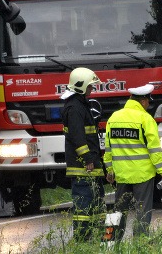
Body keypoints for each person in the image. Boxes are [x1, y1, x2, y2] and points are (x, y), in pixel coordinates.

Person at [104, 84, 162, 240]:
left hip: (121, 174)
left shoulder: (114, 118)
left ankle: (110, 242)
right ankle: (139, 245)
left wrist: (109, 170)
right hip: (142, 175)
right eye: (148, 101)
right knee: (142, 212)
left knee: (118, 212)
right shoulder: (146, 119)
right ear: (143, 101)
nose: (148, 104)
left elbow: (108, 148)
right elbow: (154, 151)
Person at [61, 67, 106, 241]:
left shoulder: (80, 105)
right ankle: (82, 239)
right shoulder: (74, 108)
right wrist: (87, 158)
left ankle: (97, 238)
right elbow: (77, 137)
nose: (92, 89)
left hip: (90, 166)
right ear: (81, 86)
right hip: (83, 167)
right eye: (90, 86)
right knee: (83, 206)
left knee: (96, 203)